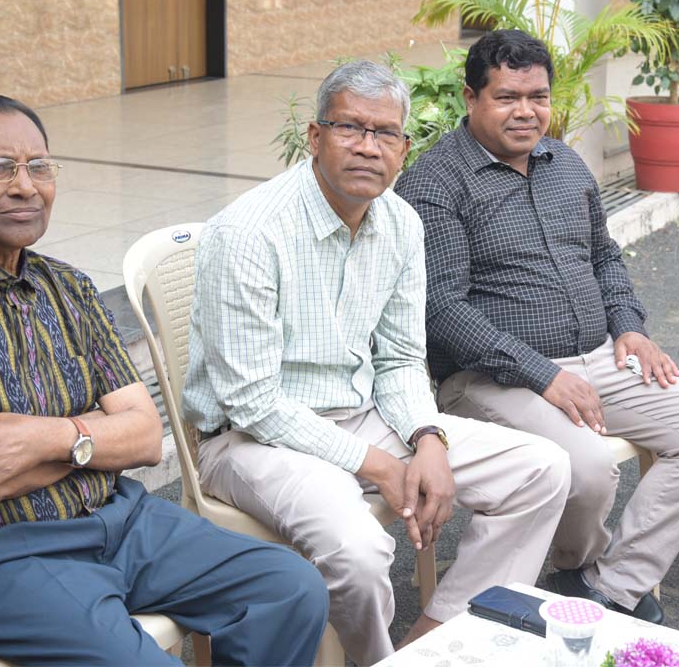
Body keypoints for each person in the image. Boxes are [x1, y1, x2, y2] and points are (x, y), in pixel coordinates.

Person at [0, 95, 329, 666]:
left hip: (120, 523)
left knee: (288, 587)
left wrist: (49, 438)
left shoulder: (70, 287)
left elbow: (145, 437)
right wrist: (97, 438)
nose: (25, 186)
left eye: (39, 166)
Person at [184, 60, 571, 666]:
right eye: (350, 128)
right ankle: (375, 658)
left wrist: (428, 438)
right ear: (315, 137)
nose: (368, 147)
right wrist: (380, 465)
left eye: (385, 132)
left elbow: (400, 359)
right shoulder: (248, 233)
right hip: (249, 441)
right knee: (359, 550)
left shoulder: (400, 223)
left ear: (404, 149)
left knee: (541, 469)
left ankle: (432, 643)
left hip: (363, 416)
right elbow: (252, 402)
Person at [394, 29, 679, 625]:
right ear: (471, 98)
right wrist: (543, 375)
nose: (526, 111)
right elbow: (442, 309)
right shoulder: (435, 183)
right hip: (491, 378)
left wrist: (629, 326)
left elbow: (604, 256)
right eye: (507, 97)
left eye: (538, 97)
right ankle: (572, 563)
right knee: (587, 467)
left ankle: (608, 585)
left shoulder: (566, 164)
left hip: (600, 356)